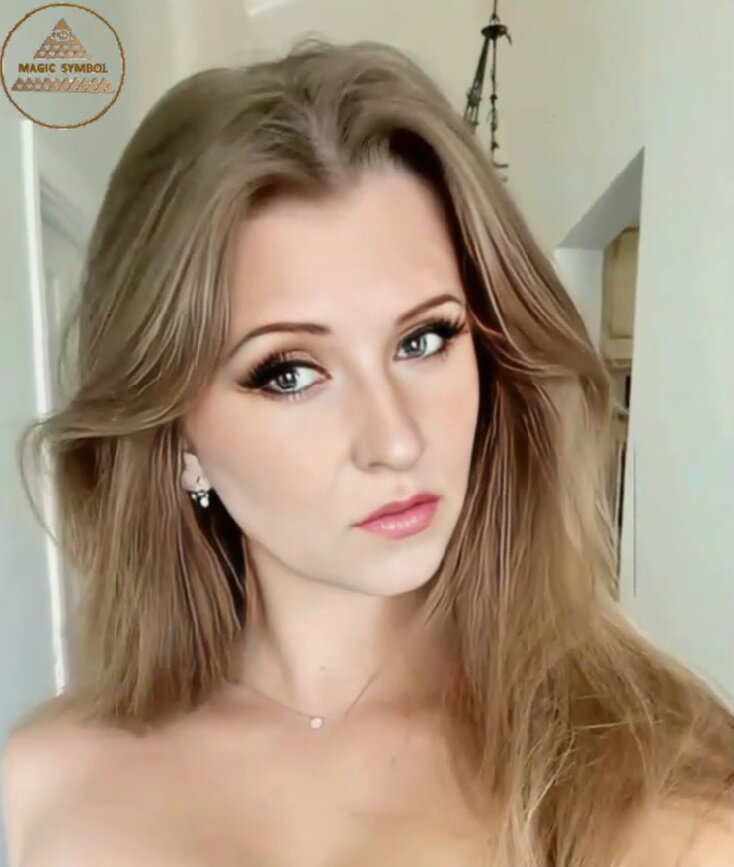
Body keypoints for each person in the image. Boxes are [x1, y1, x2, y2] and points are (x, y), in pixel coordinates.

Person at [2, 37, 733, 867]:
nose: (395, 438)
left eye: (424, 339)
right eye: (289, 373)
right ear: (174, 434)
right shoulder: (49, 779)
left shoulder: (656, 792)